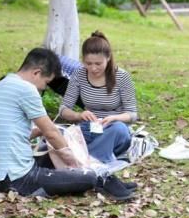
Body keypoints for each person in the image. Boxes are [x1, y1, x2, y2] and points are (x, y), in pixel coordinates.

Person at [0, 48, 135, 200]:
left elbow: (13, 132)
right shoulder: (26, 89)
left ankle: (104, 176)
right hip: (17, 179)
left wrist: (40, 131)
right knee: (85, 175)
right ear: (36, 73)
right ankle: (100, 178)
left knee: (52, 155)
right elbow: (52, 134)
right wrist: (76, 163)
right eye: (46, 82)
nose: (43, 88)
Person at [59, 31, 138, 164]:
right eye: (88, 64)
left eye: (98, 63)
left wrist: (114, 118)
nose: (93, 68)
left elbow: (132, 114)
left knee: (119, 129)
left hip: (113, 129)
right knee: (58, 134)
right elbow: (63, 109)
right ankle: (92, 156)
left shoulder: (122, 76)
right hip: (89, 128)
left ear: (108, 58)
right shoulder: (79, 75)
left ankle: (89, 160)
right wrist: (79, 115)